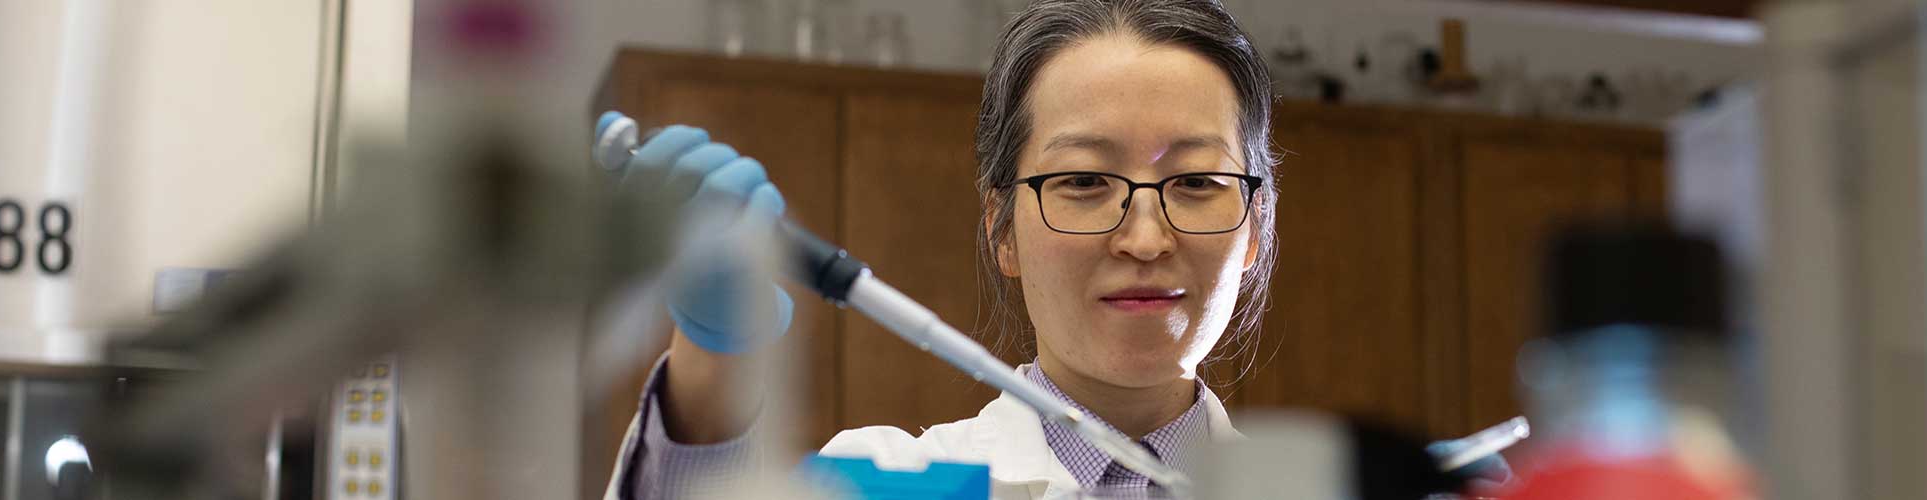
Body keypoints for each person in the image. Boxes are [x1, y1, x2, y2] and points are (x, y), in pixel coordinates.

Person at [598, 1, 1501, 498]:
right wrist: (719, 348)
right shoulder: (893, 485)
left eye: (1195, 183)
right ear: (1002, 231)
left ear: (1256, 229)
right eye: (1082, 183)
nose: (1145, 238)